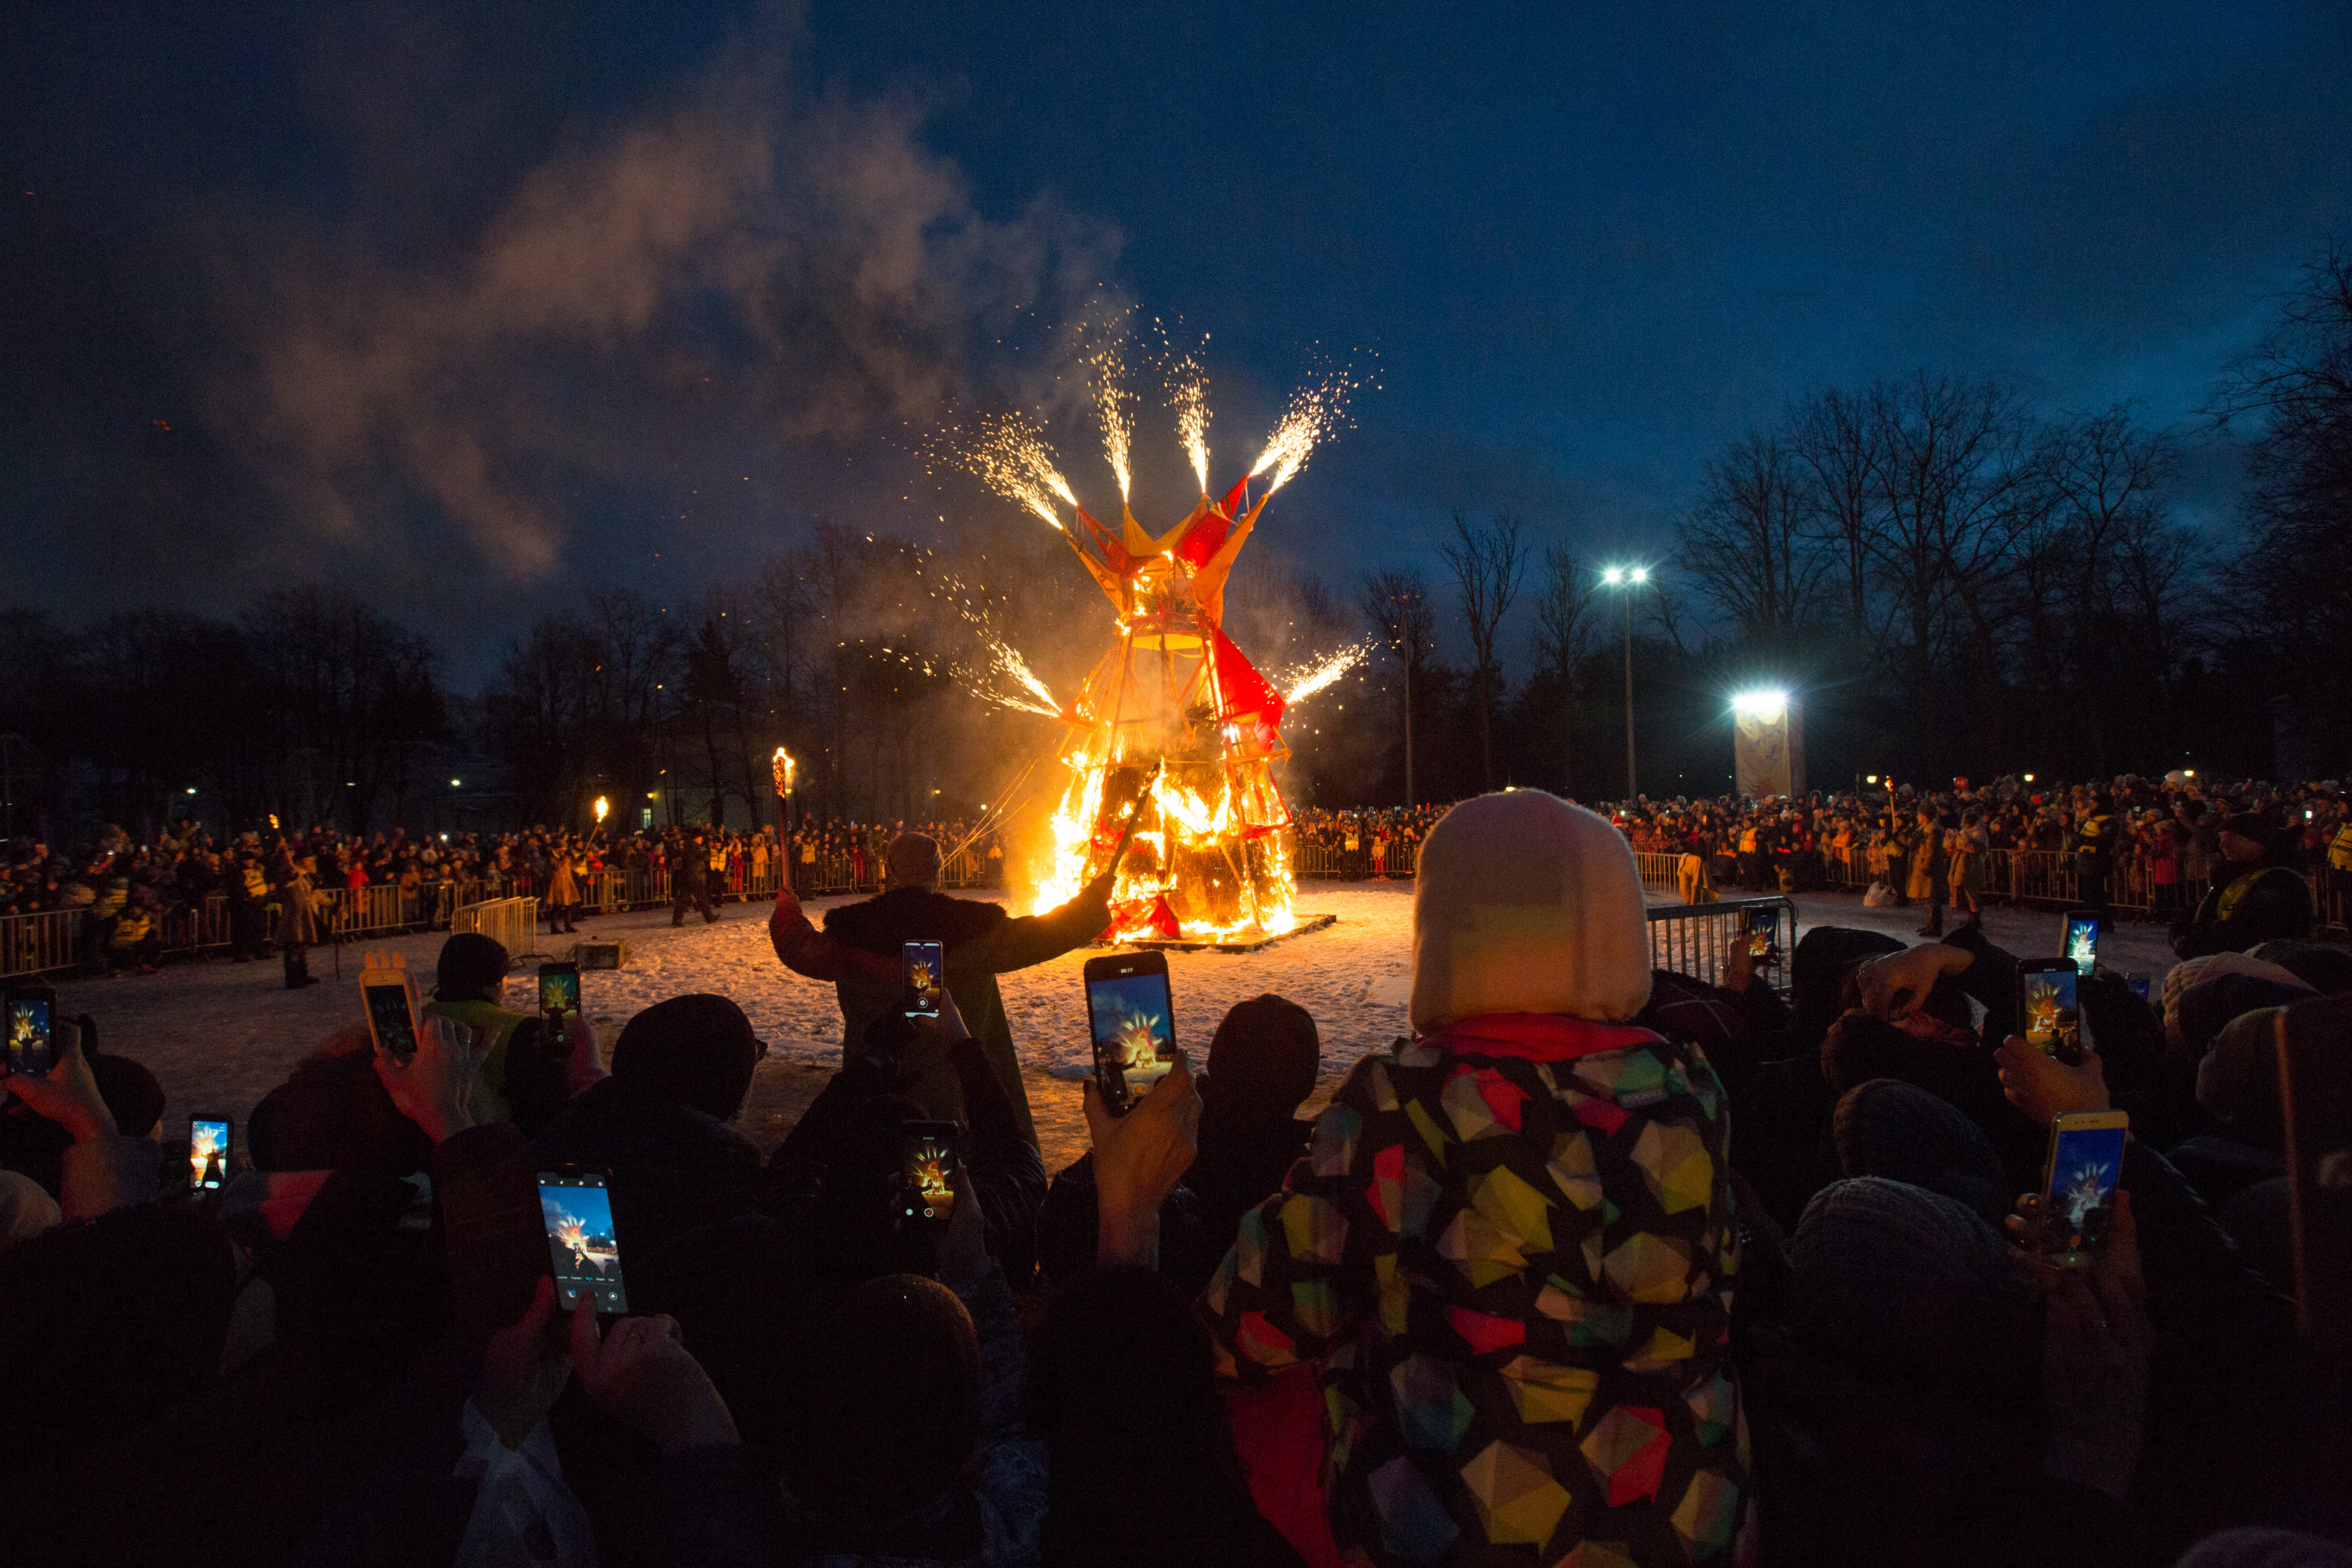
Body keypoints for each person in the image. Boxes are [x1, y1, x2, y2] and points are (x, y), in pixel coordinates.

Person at [1200, 790, 1749, 1565]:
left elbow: (1252, 1321)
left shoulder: (1406, 1103)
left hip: (1464, 1527)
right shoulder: (1689, 1092)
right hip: (1687, 1518)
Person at [811, 833, 1114, 1146]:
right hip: (962, 1087)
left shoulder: (849, 935)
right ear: (938, 871)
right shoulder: (973, 928)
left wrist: (787, 910)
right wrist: (1091, 902)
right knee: (972, 1174)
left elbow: (802, 948)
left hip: (875, 1091)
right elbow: (1040, 936)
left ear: (889, 871)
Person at [2171, 813, 2318, 959]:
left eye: (2230, 837)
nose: (2223, 844)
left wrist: (2199, 945)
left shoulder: (2280, 881)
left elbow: (2251, 930)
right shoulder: (2233, 874)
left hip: (2259, 969)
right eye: (2221, 838)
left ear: (2256, 842)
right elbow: (2213, 906)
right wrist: (2181, 929)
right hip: (2227, 964)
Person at [276, 850, 328, 989]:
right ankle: (292, 978)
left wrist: (331, 905)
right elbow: (285, 884)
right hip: (294, 916)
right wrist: (291, 874)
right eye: (308, 860)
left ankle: (302, 974)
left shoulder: (308, 877)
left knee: (303, 947)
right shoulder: (293, 873)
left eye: (312, 860)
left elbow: (316, 894)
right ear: (299, 861)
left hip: (306, 916)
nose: (312, 863)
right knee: (294, 947)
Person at [671, 832, 718, 927]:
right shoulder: (694, 847)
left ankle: (677, 921)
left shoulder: (688, 847)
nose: (701, 840)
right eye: (700, 838)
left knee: (683, 899)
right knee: (701, 897)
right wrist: (708, 851)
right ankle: (709, 917)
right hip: (694, 876)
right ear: (696, 839)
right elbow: (705, 857)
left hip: (687, 876)